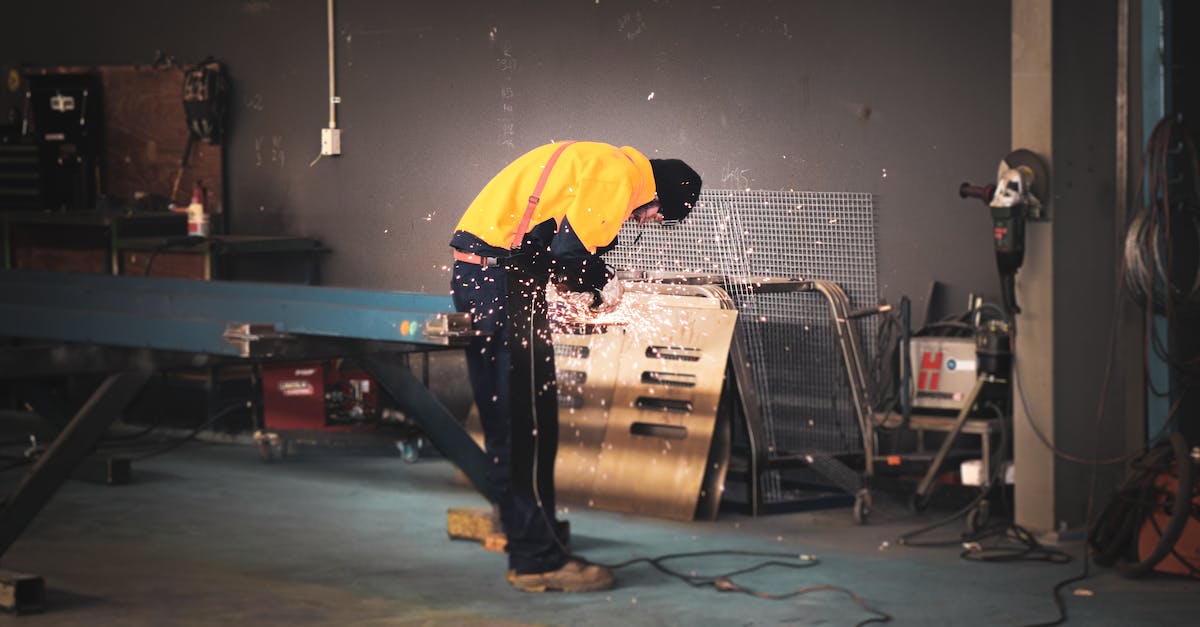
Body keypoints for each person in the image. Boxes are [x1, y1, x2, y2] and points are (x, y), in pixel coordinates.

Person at [449, 140, 701, 592]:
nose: (648, 221)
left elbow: (555, 244)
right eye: (660, 216)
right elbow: (570, 252)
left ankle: (522, 529)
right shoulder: (620, 176)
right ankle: (538, 562)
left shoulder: (597, 160)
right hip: (504, 285)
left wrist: (575, 286)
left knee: (510, 420)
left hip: (485, 277)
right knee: (529, 426)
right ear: (659, 197)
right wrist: (606, 283)